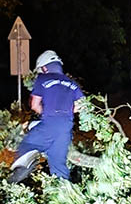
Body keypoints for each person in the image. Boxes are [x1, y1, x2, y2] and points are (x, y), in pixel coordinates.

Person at [9, 50, 84, 183]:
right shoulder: (72, 83)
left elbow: (34, 104)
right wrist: (66, 110)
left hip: (49, 124)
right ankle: (64, 193)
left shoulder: (43, 79)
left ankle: (19, 172)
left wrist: (46, 111)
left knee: (27, 143)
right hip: (66, 128)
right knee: (58, 164)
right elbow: (82, 105)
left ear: (44, 67)